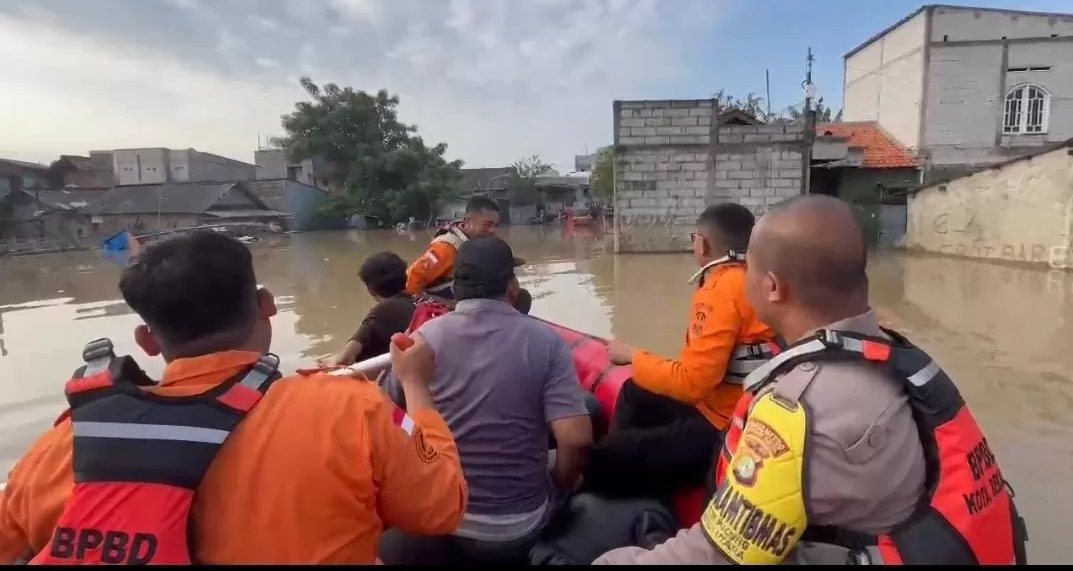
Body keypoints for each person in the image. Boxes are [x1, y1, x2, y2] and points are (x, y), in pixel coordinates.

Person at [594, 195, 1028, 565]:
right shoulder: (900, 356)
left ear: (772, 287)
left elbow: (719, 555)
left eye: (748, 270)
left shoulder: (795, 410)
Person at [0, 231, 468, 565]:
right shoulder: (348, 408)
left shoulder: (64, 444)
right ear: (267, 306)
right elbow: (441, 508)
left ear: (147, 341)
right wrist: (416, 388)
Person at [379, 236, 594, 565]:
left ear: (455, 289)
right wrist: (558, 485)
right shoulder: (546, 342)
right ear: (512, 287)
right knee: (564, 460)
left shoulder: (421, 341)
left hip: (445, 515)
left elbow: (385, 413)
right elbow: (576, 440)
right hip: (520, 526)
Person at [585, 203, 777, 501]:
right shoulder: (761, 280)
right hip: (732, 407)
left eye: (694, 239)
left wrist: (633, 356)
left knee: (606, 455)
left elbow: (692, 384)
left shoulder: (720, 290)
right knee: (635, 391)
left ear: (703, 244)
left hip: (723, 426)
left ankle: (632, 490)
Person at [324, 251, 416, 367]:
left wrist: (329, 363)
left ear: (370, 289)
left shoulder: (381, 311)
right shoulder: (422, 300)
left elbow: (344, 359)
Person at [404, 196, 502, 299]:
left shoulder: (481, 242)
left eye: (496, 226)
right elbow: (412, 279)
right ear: (466, 222)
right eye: (487, 224)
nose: (493, 230)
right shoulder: (446, 248)